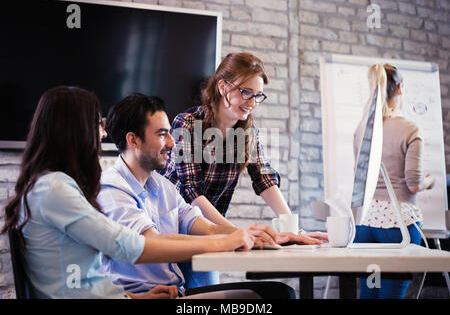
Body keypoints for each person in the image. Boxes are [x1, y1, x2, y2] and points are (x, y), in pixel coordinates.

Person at [0, 86, 256, 299]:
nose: (102, 133)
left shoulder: (54, 186)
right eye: (95, 123)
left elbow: (90, 282)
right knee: (259, 298)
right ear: (74, 131)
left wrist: (136, 298)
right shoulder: (55, 190)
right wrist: (225, 242)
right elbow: (130, 247)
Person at [96, 93, 296, 299]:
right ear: (133, 140)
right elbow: (150, 242)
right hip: (144, 296)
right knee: (275, 296)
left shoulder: (164, 187)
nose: (173, 143)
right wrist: (227, 241)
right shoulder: (111, 188)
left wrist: (253, 236)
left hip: (175, 293)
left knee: (279, 293)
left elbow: (205, 227)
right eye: (162, 134)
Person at [161, 52, 327, 287]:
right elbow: (190, 191)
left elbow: (264, 178)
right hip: (172, 233)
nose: (251, 102)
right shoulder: (187, 123)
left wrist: (293, 228)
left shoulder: (248, 132)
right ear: (222, 87)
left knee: (205, 296)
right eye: (245, 92)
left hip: (210, 234)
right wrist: (235, 233)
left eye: (257, 95)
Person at [353, 64, 435, 299]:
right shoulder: (410, 129)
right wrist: (432, 180)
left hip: (366, 225)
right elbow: (414, 184)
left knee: (369, 293)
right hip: (397, 228)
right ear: (400, 88)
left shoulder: (361, 130)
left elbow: (359, 179)